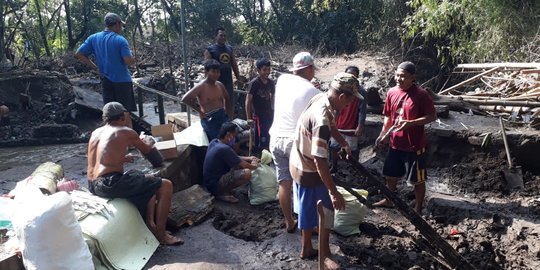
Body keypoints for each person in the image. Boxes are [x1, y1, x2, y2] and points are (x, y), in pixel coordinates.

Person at [269, 52, 352, 234]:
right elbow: (323, 129)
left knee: (284, 182)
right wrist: (333, 191)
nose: (313, 72)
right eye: (313, 68)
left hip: (275, 137)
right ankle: (308, 224)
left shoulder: (282, 80)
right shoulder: (314, 93)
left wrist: (342, 142)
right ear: (308, 68)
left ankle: (289, 221)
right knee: (306, 187)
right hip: (295, 142)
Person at [289, 72, 362, 267]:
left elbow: (332, 128)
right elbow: (320, 159)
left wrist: (343, 142)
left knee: (306, 206)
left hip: (298, 160)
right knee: (328, 208)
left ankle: (306, 247)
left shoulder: (322, 97)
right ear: (342, 97)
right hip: (309, 167)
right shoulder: (321, 119)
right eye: (349, 102)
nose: (348, 106)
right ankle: (325, 253)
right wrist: (334, 191)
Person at [87, 102, 183, 245]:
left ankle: (150, 223)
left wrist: (122, 157)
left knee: (145, 178)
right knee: (165, 185)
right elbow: (151, 154)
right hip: (110, 184)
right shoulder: (125, 131)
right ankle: (161, 235)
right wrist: (149, 141)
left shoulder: (96, 132)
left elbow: (99, 158)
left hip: (93, 183)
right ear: (122, 117)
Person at [373, 61, 437, 213]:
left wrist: (411, 123)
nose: (399, 79)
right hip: (395, 142)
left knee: (417, 179)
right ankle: (389, 200)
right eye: (397, 75)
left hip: (414, 145)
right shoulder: (391, 92)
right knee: (390, 174)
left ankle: (418, 207)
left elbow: (432, 116)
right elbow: (388, 117)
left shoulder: (421, 95)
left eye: (403, 76)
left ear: (412, 78)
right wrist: (383, 134)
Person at [76, 13, 136, 128]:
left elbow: (79, 54)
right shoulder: (120, 40)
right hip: (122, 81)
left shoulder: (93, 38)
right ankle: (129, 142)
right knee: (125, 112)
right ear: (117, 24)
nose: (121, 28)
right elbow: (128, 61)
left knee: (110, 114)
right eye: (121, 25)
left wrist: (96, 68)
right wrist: (133, 57)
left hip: (106, 79)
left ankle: (111, 140)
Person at [203, 121, 259, 203]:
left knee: (237, 166)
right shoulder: (224, 149)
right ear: (228, 135)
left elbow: (233, 157)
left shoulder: (214, 142)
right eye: (234, 136)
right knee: (247, 173)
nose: (235, 139)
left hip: (209, 182)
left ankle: (223, 189)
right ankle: (220, 193)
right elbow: (244, 165)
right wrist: (254, 166)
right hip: (215, 184)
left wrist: (249, 158)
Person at [329, 66, 367, 172]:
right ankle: (334, 166)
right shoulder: (336, 95)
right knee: (333, 146)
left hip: (351, 122)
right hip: (339, 122)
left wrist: (360, 124)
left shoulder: (361, 92)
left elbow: (362, 110)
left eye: (353, 75)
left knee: (353, 148)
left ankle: (354, 168)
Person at [181, 59, 230, 141]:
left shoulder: (220, 85)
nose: (216, 74)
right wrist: (199, 110)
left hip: (222, 115)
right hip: (209, 117)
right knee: (216, 140)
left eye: (218, 72)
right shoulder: (201, 86)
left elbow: (227, 98)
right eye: (213, 71)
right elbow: (185, 99)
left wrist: (227, 112)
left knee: (232, 136)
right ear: (207, 72)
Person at [204, 27, 245, 118]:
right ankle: (217, 120)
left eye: (224, 35)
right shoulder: (210, 49)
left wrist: (238, 78)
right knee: (216, 102)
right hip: (215, 81)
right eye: (221, 35)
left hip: (228, 80)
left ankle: (229, 121)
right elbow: (207, 67)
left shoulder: (229, 49)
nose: (223, 37)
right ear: (216, 36)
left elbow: (234, 64)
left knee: (229, 101)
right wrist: (207, 82)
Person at [245, 58, 275, 150]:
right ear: (258, 70)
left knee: (269, 134)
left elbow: (273, 97)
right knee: (260, 136)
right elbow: (248, 101)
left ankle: (267, 152)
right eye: (264, 70)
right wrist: (249, 118)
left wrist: (274, 111)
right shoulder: (254, 83)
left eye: (268, 69)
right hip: (258, 115)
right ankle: (259, 153)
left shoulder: (271, 83)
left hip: (269, 113)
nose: (267, 72)